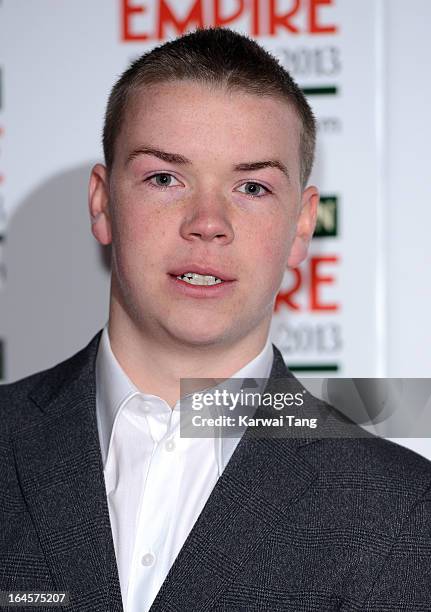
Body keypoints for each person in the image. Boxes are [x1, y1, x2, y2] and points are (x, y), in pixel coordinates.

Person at [1, 27, 430, 612]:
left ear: (302, 226)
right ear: (102, 203)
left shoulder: (405, 513)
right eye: (164, 178)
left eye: (251, 186)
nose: (207, 221)